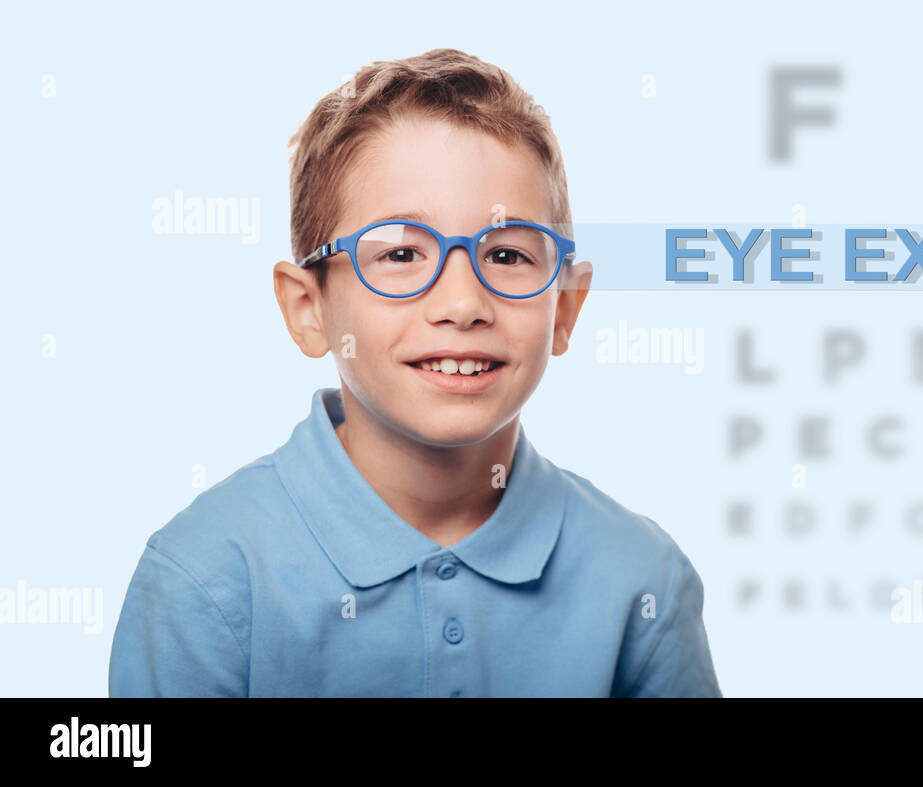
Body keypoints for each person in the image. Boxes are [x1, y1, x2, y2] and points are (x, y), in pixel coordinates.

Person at [108, 48, 722, 698]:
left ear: (564, 306)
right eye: (401, 252)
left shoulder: (642, 582)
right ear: (308, 308)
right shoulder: (201, 581)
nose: (462, 304)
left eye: (508, 254)